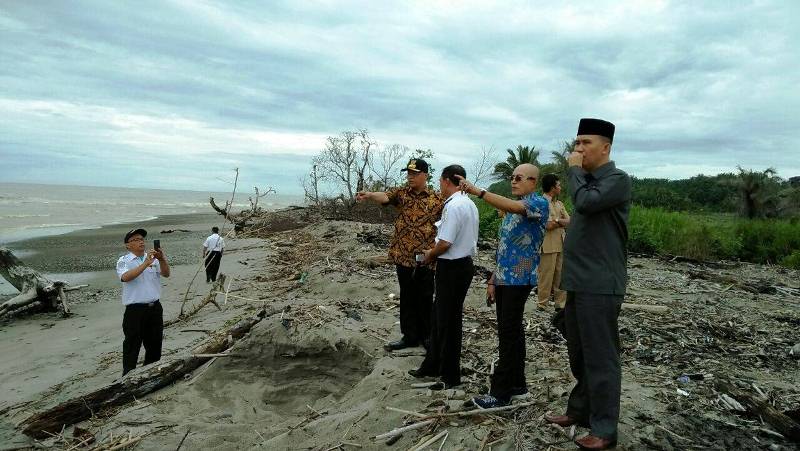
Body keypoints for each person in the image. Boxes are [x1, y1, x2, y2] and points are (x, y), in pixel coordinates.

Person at [545, 118, 631, 450]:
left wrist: (574, 171)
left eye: (586, 143)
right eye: (576, 143)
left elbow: (586, 202)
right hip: (579, 282)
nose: (578, 150)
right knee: (579, 352)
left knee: (601, 357)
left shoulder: (617, 180)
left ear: (606, 147)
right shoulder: (589, 181)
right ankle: (579, 410)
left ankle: (605, 429)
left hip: (601, 283)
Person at [455, 164, 549, 408]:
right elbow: (505, 248)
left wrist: (478, 191)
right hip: (506, 277)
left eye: (519, 178)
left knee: (508, 334)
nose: (514, 181)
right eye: (512, 177)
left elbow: (515, 206)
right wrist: (493, 278)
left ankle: (501, 393)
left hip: (520, 278)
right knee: (512, 332)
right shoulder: (510, 211)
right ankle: (518, 386)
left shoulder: (538, 203)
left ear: (533, 182)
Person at [356, 159, 443, 351]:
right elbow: (385, 197)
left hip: (425, 257)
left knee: (426, 296)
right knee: (407, 296)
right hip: (402, 254)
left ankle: (427, 336)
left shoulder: (437, 199)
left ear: (425, 175)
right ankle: (409, 336)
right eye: (408, 173)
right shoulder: (401, 193)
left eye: (414, 173)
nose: (410, 177)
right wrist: (370, 194)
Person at [408, 165, 479, 389]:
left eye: (440, 181)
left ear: (448, 181)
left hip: (453, 267)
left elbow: (445, 243)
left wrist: (430, 255)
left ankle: (450, 376)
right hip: (462, 265)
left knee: (448, 322)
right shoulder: (469, 204)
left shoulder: (454, 206)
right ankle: (432, 364)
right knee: (440, 317)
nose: (439, 185)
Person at [116, 228, 170, 376]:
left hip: (154, 308)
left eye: (142, 239)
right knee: (132, 345)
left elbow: (166, 273)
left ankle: (151, 373)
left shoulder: (153, 258)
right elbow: (125, 277)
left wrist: (162, 259)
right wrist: (146, 264)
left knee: (154, 344)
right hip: (135, 310)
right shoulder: (124, 261)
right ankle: (128, 376)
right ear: (128, 245)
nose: (141, 241)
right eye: (136, 240)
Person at [537, 174, 570, 310]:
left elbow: (569, 222)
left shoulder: (559, 203)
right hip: (547, 244)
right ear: (552, 187)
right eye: (558, 185)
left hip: (561, 243)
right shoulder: (541, 202)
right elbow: (548, 225)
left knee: (561, 276)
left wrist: (557, 221)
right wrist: (560, 221)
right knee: (546, 275)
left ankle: (560, 304)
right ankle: (542, 303)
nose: (560, 188)